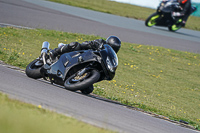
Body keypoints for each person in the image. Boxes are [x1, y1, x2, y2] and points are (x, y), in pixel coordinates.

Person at [49, 36, 121, 60]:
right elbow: (89, 43)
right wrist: (90, 45)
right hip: (83, 53)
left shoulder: (110, 57)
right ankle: (55, 52)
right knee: (74, 45)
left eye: (115, 49)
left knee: (89, 89)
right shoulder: (101, 43)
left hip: (89, 62)